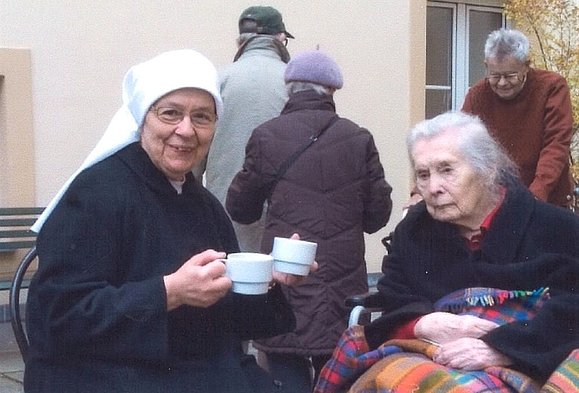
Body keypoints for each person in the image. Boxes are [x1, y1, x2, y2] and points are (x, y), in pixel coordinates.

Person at [24, 49, 314, 393]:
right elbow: (58, 318)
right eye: (170, 114)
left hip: (196, 369)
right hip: (105, 374)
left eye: (202, 117)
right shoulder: (94, 195)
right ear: (143, 119)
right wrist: (168, 292)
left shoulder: (204, 205)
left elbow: (231, 322)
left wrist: (267, 280)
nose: (186, 130)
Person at [315, 111, 579, 392]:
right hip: (431, 352)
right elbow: (394, 298)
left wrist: (505, 348)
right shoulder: (414, 231)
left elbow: (572, 310)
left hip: (533, 355)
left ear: (487, 168)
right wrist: (422, 324)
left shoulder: (558, 228)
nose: (433, 188)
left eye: (447, 170)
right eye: (423, 175)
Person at [227, 50, 393, 392]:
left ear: (290, 89)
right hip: (343, 284)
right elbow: (378, 216)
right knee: (341, 374)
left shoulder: (266, 135)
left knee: (285, 371)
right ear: (332, 92)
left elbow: (240, 208)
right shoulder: (358, 138)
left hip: (287, 281)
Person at [202, 5, 294, 252]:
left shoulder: (219, 81)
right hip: (286, 213)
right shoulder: (295, 84)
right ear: (280, 38)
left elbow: (195, 152)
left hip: (225, 208)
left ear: (240, 42)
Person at [462, 28, 574, 207]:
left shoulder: (551, 87)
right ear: (486, 66)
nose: (502, 83)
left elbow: (556, 144)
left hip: (546, 198)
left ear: (526, 66)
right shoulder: (477, 95)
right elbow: (458, 144)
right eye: (495, 76)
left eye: (510, 75)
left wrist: (536, 194)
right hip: (495, 198)